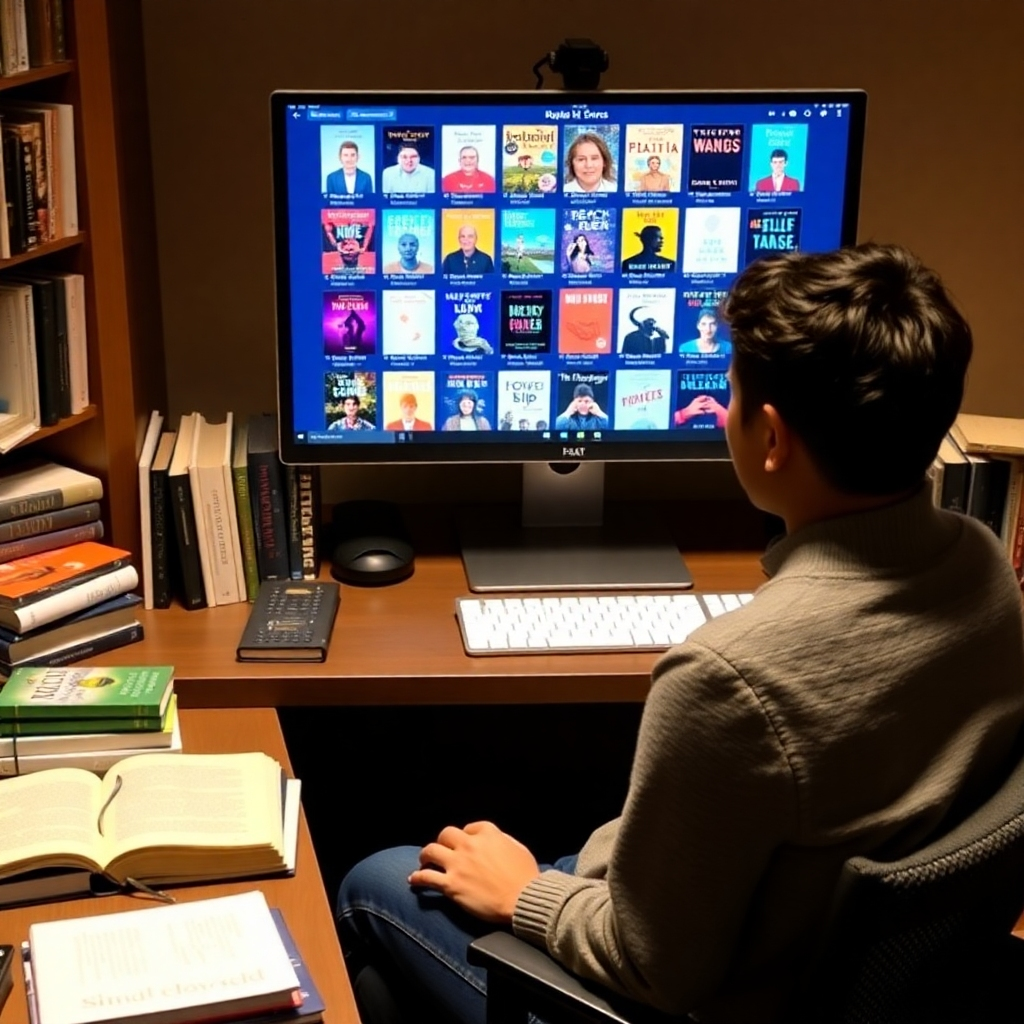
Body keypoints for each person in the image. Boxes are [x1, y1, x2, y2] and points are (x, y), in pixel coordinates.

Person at [336, 242, 1024, 1024]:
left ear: (770, 438)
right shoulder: (985, 567)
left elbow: (654, 966)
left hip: (701, 995)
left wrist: (526, 892)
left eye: (728, 394)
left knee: (376, 879)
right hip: (851, 966)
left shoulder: (728, 675)